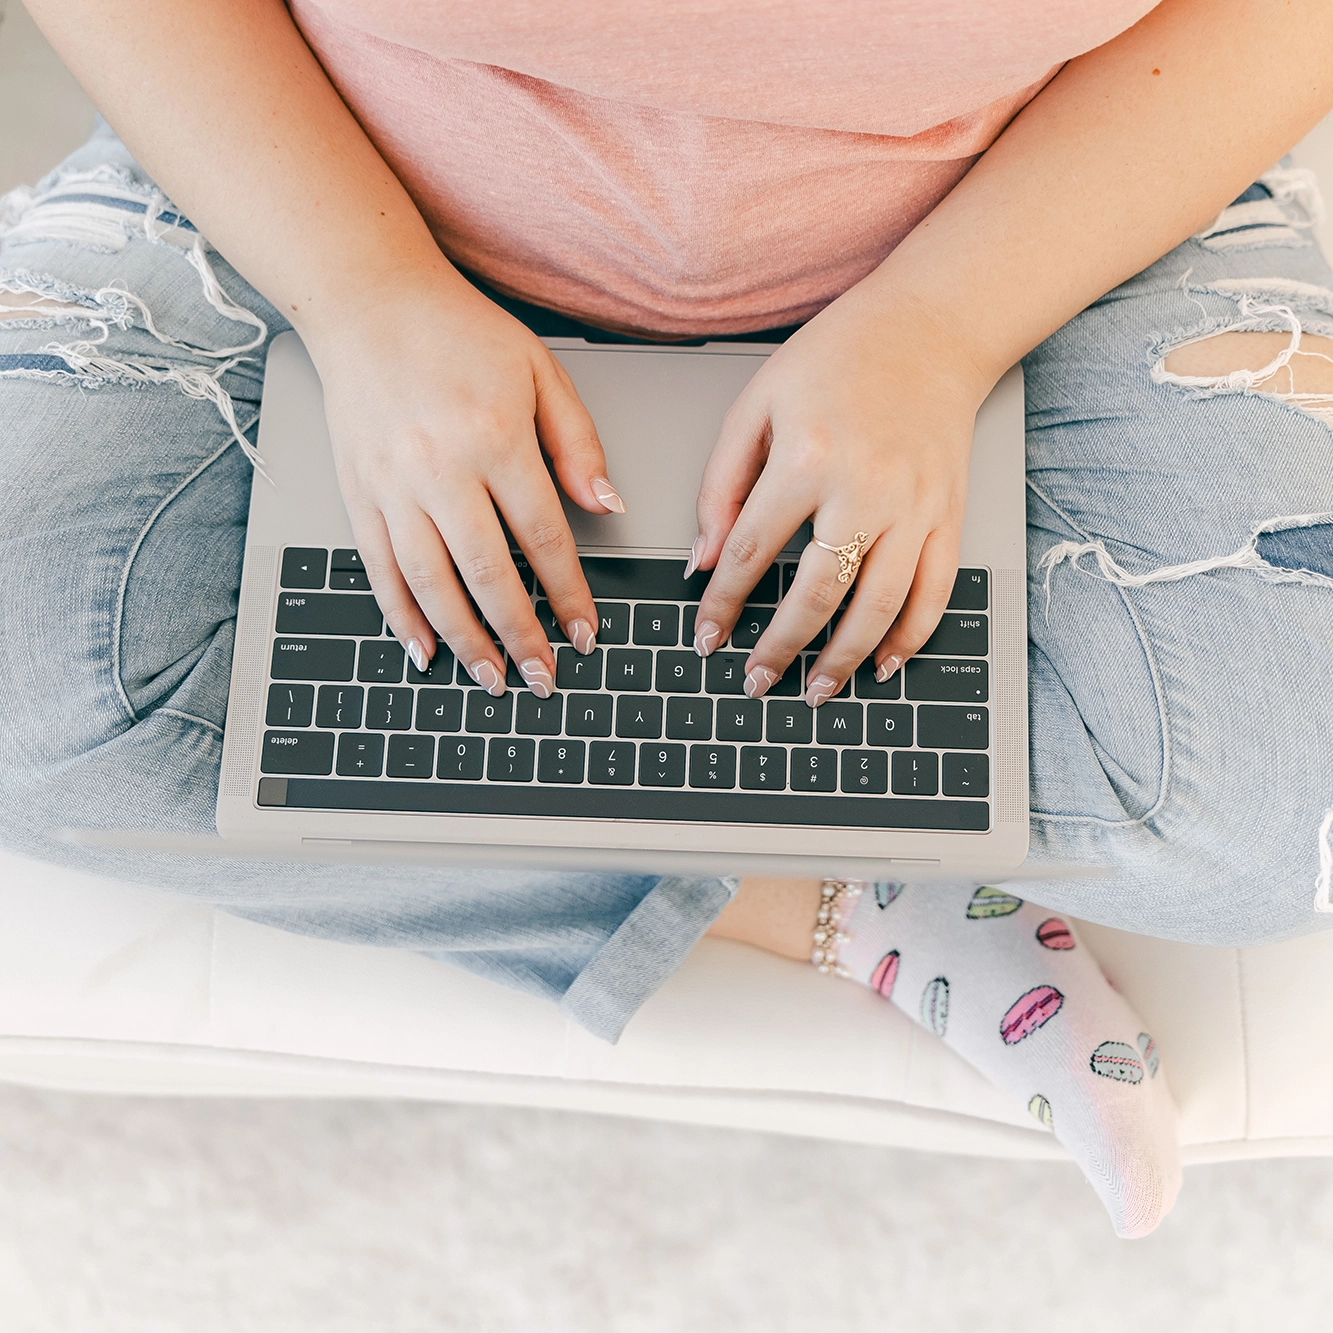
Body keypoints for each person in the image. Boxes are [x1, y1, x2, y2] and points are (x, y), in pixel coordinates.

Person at [3, 0, 1332, 1235]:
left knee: (1271, 816)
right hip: (320, 161)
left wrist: (941, 330)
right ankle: (844, 893)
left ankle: (827, 836)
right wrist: (362, 294)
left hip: (1044, 187)